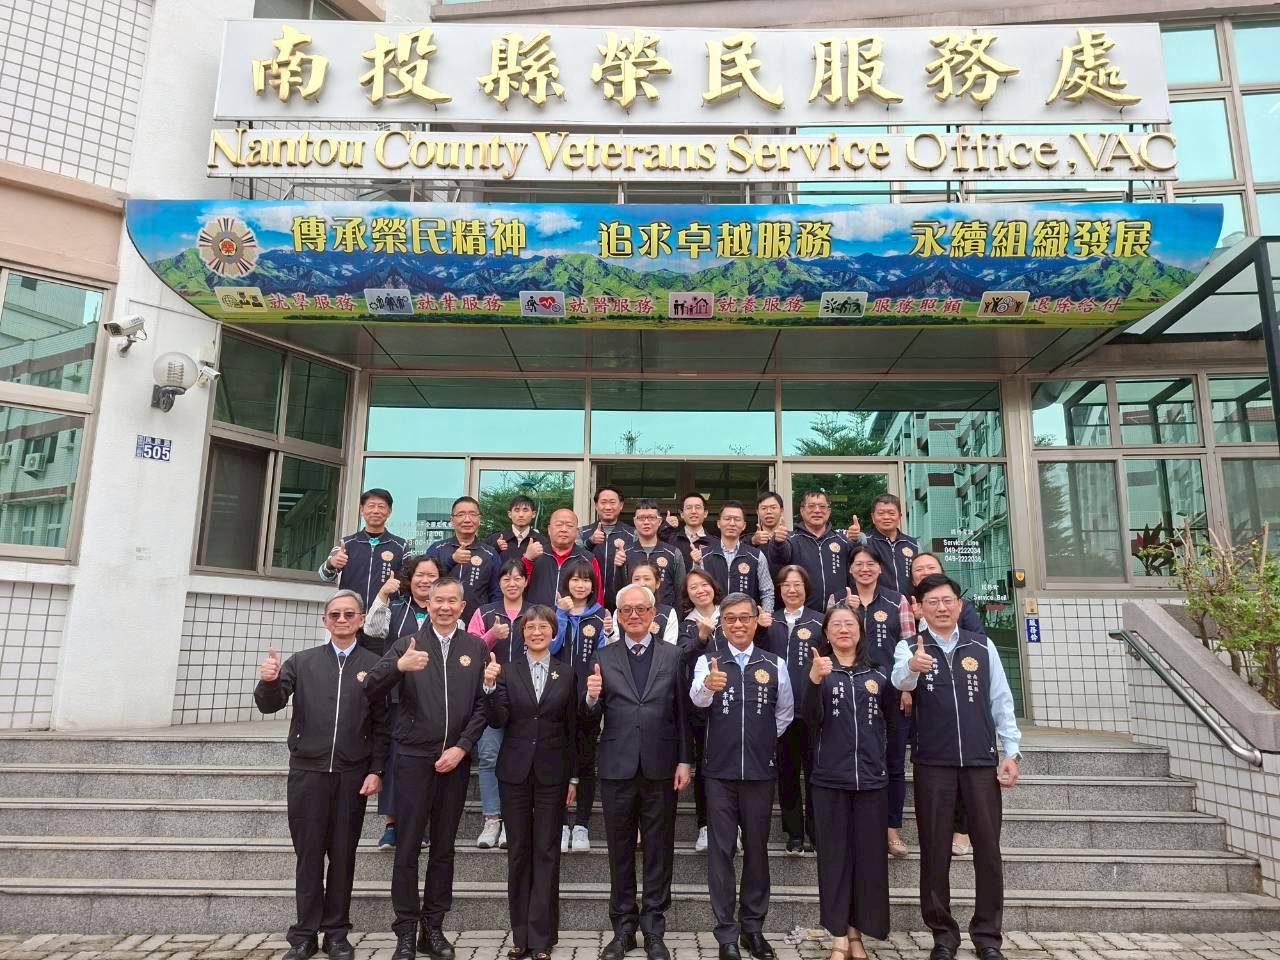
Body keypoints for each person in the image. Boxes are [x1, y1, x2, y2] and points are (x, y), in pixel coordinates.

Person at [892, 574, 1022, 960]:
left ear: (959, 605)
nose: (942, 608)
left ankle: (988, 936)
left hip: (981, 763)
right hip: (934, 763)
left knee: (988, 850)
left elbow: (1001, 700)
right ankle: (943, 935)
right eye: (932, 602)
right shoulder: (909, 647)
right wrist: (913, 666)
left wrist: (1011, 752)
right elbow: (900, 681)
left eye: (947, 600)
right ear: (920, 609)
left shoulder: (981, 645)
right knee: (935, 851)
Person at [255, 590, 390, 960]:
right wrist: (269, 681)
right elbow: (270, 704)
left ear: (361, 620)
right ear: (325, 621)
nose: (342, 620)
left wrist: (376, 769)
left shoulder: (375, 665)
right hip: (308, 773)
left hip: (352, 775)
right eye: (335, 615)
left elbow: (383, 724)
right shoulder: (303, 662)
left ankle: (336, 933)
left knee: (343, 855)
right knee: (309, 855)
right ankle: (304, 934)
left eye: (349, 614)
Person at [364, 578, 489, 960]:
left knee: (444, 849)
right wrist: (398, 667)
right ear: (428, 604)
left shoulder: (475, 648)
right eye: (439, 601)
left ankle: (432, 928)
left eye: (452, 601)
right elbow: (370, 687)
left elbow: (483, 705)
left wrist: (462, 747)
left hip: (454, 762)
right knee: (407, 847)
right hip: (413, 759)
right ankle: (405, 929)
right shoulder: (408, 643)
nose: (445, 607)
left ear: (463, 606)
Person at [585, 583, 693, 960]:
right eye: (626, 610)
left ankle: (654, 930)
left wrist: (685, 760)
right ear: (617, 615)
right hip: (617, 766)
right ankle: (623, 928)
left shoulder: (673, 655)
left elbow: (682, 714)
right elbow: (588, 719)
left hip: (661, 766)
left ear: (653, 614)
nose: (633, 615)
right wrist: (591, 698)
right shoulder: (603, 655)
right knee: (619, 850)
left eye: (640, 609)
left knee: (659, 849)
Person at [689, 593, 793, 960]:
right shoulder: (708, 661)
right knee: (721, 852)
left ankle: (753, 929)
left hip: (760, 772)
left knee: (757, 850)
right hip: (719, 771)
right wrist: (708, 685)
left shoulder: (775, 663)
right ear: (722, 625)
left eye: (744, 618)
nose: (737, 624)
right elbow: (697, 701)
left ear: (755, 620)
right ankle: (726, 934)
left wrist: (760, 741)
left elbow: (785, 713)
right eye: (730, 618)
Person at [482, 606, 578, 960]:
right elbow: (497, 720)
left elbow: (573, 729)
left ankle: (542, 938)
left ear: (554, 633)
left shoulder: (567, 673)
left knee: (547, 851)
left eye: (543, 627)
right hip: (515, 772)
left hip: (553, 772)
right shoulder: (508, 671)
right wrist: (489, 687)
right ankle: (521, 936)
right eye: (530, 627)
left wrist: (574, 776)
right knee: (519, 851)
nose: (537, 632)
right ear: (522, 633)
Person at [806, 604, 894, 960]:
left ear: (860, 631)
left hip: (871, 780)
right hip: (830, 780)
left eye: (850, 624)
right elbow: (809, 720)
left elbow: (892, 725)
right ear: (826, 634)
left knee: (868, 860)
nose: (844, 629)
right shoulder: (819, 669)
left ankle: (858, 933)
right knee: (834, 859)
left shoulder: (879, 674)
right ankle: (839, 936)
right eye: (836, 625)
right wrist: (814, 681)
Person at [364, 554, 444, 850]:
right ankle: (392, 824)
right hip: (396, 694)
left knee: (426, 761)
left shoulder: (445, 610)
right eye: (420, 575)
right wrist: (383, 595)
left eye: (432, 576)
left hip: (433, 696)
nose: (426, 581)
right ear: (410, 578)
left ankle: (420, 824)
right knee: (395, 759)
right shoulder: (396, 608)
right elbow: (372, 630)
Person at [909, 553, 984, 857]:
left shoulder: (959, 609)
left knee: (964, 768)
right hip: (924, 702)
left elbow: (979, 645)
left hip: (964, 705)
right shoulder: (910, 605)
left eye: (930, 567)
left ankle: (961, 830)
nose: (924, 572)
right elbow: (903, 656)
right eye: (918, 570)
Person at [845, 545, 917, 859]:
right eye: (859, 564)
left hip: (891, 691)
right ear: (850, 569)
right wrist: (850, 612)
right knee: (857, 759)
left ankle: (892, 830)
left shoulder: (897, 601)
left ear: (880, 568)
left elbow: (909, 645)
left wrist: (907, 687)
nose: (865, 569)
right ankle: (859, 829)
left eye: (871, 564)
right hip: (852, 693)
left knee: (894, 762)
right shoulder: (839, 600)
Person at [467, 559, 534, 851]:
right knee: (489, 755)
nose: (512, 583)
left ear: (526, 581)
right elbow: (469, 652)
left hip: (526, 695)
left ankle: (513, 820)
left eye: (518, 578)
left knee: (521, 759)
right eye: (506, 578)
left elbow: (549, 644)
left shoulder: (535, 612)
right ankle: (492, 818)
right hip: (490, 692)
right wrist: (493, 635)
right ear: (499, 582)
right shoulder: (485, 612)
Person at [762, 565, 823, 854]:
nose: (792, 590)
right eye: (786, 585)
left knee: (815, 774)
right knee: (786, 775)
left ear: (806, 588)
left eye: (797, 584)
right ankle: (794, 833)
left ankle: (817, 831)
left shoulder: (819, 621)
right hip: (779, 712)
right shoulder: (768, 621)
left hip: (812, 711)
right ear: (779, 589)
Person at [552, 559, 612, 853]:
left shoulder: (602, 615)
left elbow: (604, 656)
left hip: (588, 697)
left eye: (586, 580)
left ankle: (582, 825)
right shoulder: (555, 612)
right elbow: (551, 647)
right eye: (575, 579)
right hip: (556, 695)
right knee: (558, 760)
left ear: (593, 585)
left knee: (587, 760)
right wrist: (561, 615)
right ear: (566, 583)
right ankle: (562, 824)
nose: (580, 585)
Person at [677, 569, 723, 853]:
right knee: (705, 765)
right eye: (693, 587)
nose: (700, 590)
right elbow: (681, 657)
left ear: (713, 587)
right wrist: (701, 638)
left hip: (733, 701)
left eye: (704, 584)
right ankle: (705, 826)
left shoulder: (730, 614)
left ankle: (732, 826)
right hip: (699, 703)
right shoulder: (686, 623)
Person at [319, 488, 408, 621]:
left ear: (389, 511)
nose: (376, 511)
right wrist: (331, 563)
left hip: (385, 618)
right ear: (362, 510)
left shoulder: (401, 546)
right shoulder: (346, 544)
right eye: (371, 506)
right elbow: (324, 576)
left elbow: (409, 583)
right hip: (350, 617)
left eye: (381, 507)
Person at [772, 491, 857, 613]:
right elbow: (779, 558)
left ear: (829, 511)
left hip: (838, 614)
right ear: (802, 510)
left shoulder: (842, 541)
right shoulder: (791, 539)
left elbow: (855, 571)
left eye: (822, 506)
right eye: (811, 506)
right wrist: (778, 543)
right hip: (802, 615)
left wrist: (856, 541)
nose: (817, 510)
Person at [696, 501, 775, 615]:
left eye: (737, 519)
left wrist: (766, 615)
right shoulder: (703, 555)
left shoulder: (756, 556)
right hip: (713, 620)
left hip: (746, 620)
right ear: (719, 523)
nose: (732, 523)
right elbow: (695, 590)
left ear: (744, 525)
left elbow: (767, 591)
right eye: (727, 519)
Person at [432, 496, 501, 623]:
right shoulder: (437, 549)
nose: (467, 519)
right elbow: (428, 582)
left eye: (472, 514)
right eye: (461, 514)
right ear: (452, 520)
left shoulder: (490, 554)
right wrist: (452, 560)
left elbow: (496, 593)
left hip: (477, 624)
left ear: (479, 519)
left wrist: (491, 620)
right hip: (441, 621)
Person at [524, 508, 603, 608]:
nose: (564, 529)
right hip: (537, 616)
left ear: (577, 532)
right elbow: (518, 588)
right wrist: (527, 560)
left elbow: (597, 596)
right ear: (549, 529)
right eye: (559, 525)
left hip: (574, 616)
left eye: (569, 526)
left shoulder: (588, 559)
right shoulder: (534, 555)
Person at [621, 500, 686, 609]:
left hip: (665, 614)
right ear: (635, 521)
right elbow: (620, 589)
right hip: (634, 614)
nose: (646, 522)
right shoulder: (625, 553)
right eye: (641, 518)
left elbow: (681, 590)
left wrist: (675, 616)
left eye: (651, 518)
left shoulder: (673, 553)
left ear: (659, 521)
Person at [581, 485, 638, 609]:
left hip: (624, 602)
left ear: (621, 505)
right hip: (588, 602)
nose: (608, 507)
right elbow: (574, 560)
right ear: (596, 506)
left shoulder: (633, 534)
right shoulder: (582, 533)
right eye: (603, 502)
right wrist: (590, 542)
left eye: (612, 502)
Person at [607, 562, 678, 646]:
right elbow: (614, 647)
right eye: (636, 579)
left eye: (647, 579)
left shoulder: (668, 613)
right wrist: (609, 632)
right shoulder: (621, 611)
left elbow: (669, 648)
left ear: (657, 583)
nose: (641, 584)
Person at [865, 494, 919, 597]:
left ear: (900, 516)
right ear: (873, 517)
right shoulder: (865, 542)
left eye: (891, 513)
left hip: (910, 603)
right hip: (877, 603)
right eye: (881, 513)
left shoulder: (914, 544)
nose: (886, 517)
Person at [662, 491, 718, 570]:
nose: (693, 511)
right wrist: (666, 527)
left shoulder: (716, 543)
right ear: (682, 514)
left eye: (698, 507)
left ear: (705, 513)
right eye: (688, 508)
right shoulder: (670, 540)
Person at [489, 495, 552, 561]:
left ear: (533, 514)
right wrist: (496, 549)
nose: (521, 515)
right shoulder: (494, 540)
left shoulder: (543, 543)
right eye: (517, 510)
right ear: (510, 514)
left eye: (525, 510)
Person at [750, 492, 790, 571]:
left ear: (781, 510)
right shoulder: (750, 540)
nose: (768, 511)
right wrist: (752, 542)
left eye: (773, 507)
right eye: (764, 508)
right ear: (757, 512)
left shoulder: (793, 537)